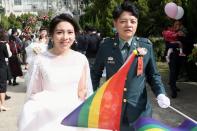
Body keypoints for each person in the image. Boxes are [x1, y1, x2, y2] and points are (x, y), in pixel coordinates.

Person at [91, 1, 170, 130]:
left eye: (133, 21)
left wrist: (160, 93)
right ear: (115, 23)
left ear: (137, 23)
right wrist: (91, 96)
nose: (128, 25)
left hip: (140, 111)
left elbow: (153, 75)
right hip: (113, 110)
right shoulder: (106, 46)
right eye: (123, 21)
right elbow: (95, 74)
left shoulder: (146, 46)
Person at [18, 13, 93, 131]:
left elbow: (82, 91)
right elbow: (34, 91)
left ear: (75, 34)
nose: (65, 37)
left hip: (72, 117)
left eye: (70, 32)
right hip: (46, 118)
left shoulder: (81, 59)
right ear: (51, 35)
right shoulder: (40, 60)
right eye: (59, 32)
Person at [0, 25, 12, 111]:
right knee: (2, 87)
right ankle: (2, 105)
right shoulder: (4, 45)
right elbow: (8, 55)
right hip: (2, 67)